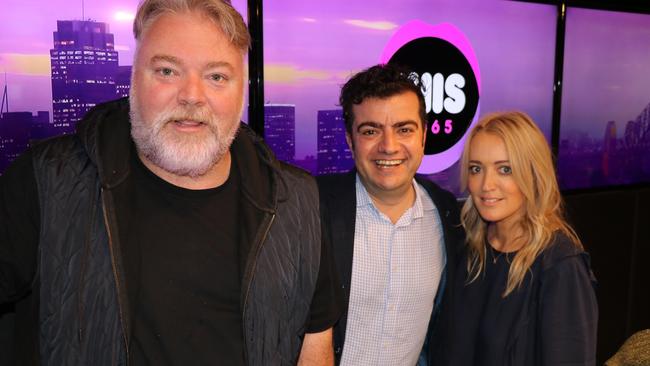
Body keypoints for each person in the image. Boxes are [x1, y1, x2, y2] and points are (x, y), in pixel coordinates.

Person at [0, 0, 341, 365]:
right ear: (133, 79)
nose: (192, 96)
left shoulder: (298, 201)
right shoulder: (46, 183)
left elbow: (313, 346)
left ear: (241, 91)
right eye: (166, 70)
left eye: (216, 76)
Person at [317, 64, 464, 366]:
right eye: (371, 131)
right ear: (349, 140)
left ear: (423, 136)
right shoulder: (313, 209)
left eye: (404, 129)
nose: (389, 146)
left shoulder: (449, 217)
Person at [449, 111, 598, 365]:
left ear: (533, 174)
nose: (486, 185)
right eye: (476, 169)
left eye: (505, 169)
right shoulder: (470, 249)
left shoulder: (560, 266)